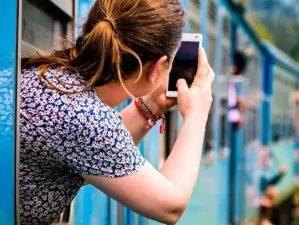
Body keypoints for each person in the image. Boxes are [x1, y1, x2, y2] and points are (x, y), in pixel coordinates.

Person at [20, 0, 215, 224]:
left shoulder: (50, 76)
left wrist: (151, 106)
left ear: (87, 30)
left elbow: (92, 155)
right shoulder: (87, 118)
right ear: (155, 68)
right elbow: (170, 208)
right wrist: (197, 114)